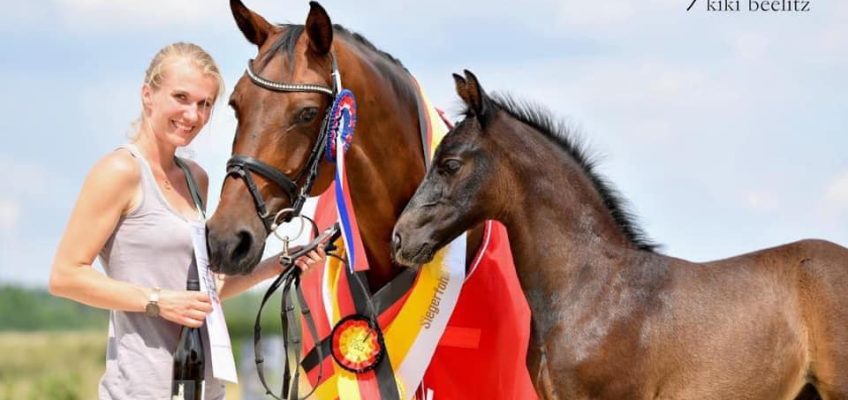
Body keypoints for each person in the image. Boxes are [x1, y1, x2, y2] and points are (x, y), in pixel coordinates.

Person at [48, 42, 324, 400]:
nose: (192, 115)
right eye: (181, 97)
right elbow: (65, 276)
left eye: (204, 104)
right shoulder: (120, 172)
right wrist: (157, 301)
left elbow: (203, 295)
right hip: (141, 391)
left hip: (204, 390)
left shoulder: (197, 179)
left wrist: (276, 265)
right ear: (148, 95)